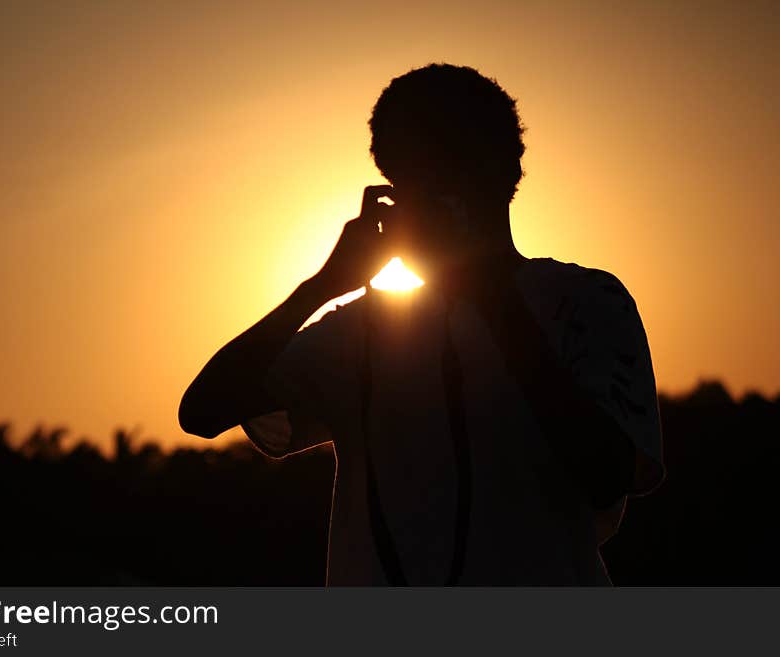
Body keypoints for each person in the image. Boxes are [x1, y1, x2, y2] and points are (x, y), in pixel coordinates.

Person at [178, 63, 665, 585]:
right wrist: (323, 285)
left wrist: (491, 297)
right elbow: (204, 410)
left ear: (506, 172)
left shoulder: (585, 301)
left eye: (448, 175)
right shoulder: (361, 331)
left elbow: (608, 472)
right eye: (410, 180)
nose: (428, 198)